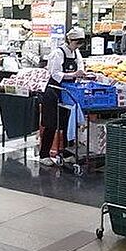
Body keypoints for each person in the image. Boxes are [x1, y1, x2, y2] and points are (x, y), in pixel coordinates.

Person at [39, 26, 86, 166]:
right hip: (53, 91)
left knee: (67, 123)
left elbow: (80, 66)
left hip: (67, 91)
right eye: (77, 42)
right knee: (51, 124)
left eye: (81, 43)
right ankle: (44, 154)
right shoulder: (58, 53)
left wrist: (81, 73)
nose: (78, 45)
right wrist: (73, 74)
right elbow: (55, 74)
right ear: (69, 40)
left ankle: (66, 153)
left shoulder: (76, 53)